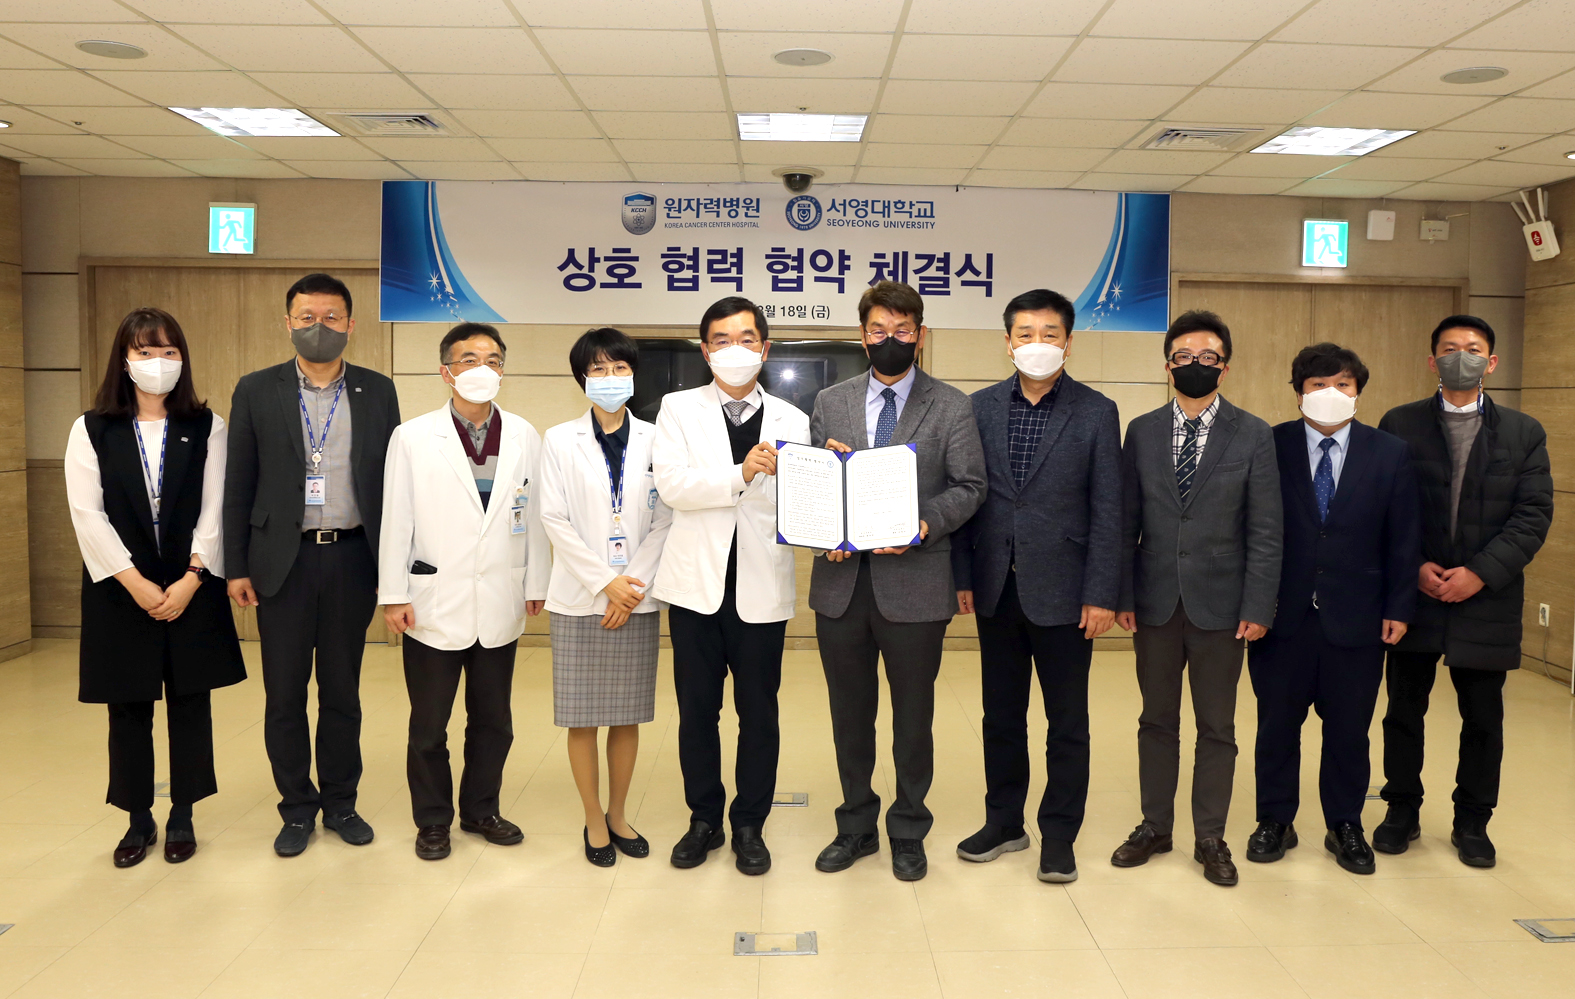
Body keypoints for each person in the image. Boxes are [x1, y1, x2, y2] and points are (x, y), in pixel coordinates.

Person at [810, 280, 987, 882]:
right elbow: (813, 483)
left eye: (903, 330)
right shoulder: (830, 401)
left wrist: (923, 525)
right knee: (849, 714)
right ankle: (856, 825)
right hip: (841, 586)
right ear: (862, 336)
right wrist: (823, 517)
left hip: (916, 581)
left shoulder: (952, 405)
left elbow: (970, 486)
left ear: (921, 335)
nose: (891, 339)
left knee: (913, 718)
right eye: (879, 330)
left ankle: (909, 828)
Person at [224, 272, 401, 857]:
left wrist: (394, 570)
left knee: (342, 692)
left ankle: (342, 802)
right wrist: (236, 566)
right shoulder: (257, 389)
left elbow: (393, 486)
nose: (318, 327)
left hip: (353, 558)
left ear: (350, 324)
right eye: (307, 317)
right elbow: (237, 481)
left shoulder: (378, 390)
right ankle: (297, 807)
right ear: (288, 323)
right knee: (284, 695)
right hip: (283, 563)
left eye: (330, 317)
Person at [65, 307, 246, 867]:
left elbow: (216, 506)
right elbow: (87, 514)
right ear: (124, 359)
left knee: (190, 702)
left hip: (191, 582)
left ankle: (183, 814)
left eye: (169, 351)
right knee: (128, 704)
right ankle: (137, 818)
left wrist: (194, 576)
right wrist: (133, 581)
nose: (159, 362)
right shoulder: (92, 427)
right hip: (121, 587)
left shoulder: (207, 425)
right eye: (145, 351)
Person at [952, 288, 1121, 884]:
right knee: (1001, 717)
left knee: (1067, 723)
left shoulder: (1096, 412)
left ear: (1068, 344)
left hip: (1068, 593)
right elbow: (967, 497)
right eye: (1025, 334)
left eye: (1050, 334)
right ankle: (1005, 822)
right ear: (1007, 343)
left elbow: (1110, 510)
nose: (1037, 344)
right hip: (996, 587)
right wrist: (963, 576)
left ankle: (1060, 835)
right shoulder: (978, 407)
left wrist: (1102, 593)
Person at [1375, 315, 1552, 868]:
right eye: (1449, 349)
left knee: (1483, 717)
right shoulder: (1399, 423)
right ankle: (1401, 809)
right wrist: (1413, 567)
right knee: (1404, 710)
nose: (1461, 358)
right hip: (1415, 594)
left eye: (1473, 349)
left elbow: (1532, 515)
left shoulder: (1523, 432)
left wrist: (1479, 572)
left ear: (1491, 362)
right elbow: (1381, 507)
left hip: (1487, 598)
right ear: (1433, 360)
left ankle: (1473, 820)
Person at [1113, 309, 1282, 887]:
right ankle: (1155, 826)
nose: (1195, 364)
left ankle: (1210, 835)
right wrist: (1122, 593)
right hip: (1154, 601)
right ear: (1168, 366)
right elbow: (1126, 522)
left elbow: (1266, 530)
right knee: (1156, 719)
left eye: (1208, 357)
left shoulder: (1253, 433)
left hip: (1223, 607)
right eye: (1184, 356)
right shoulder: (1141, 431)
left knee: (1217, 726)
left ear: (1225, 367)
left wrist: (1258, 606)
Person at [1245, 343, 1421, 876]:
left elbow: (1403, 538)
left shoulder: (1389, 452)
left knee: (1348, 730)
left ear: (1358, 392)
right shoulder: (1268, 445)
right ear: (1298, 393)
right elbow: (1248, 528)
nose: (1331, 393)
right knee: (1277, 726)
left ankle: (1345, 823)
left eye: (1343, 384)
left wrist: (1399, 606)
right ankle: (1275, 819)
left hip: (1358, 617)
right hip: (1281, 616)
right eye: (1318, 384)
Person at [650, 296, 810, 875]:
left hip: (761, 587)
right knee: (697, 712)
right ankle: (703, 820)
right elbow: (673, 487)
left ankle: (749, 824)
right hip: (696, 588)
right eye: (721, 340)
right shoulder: (677, 409)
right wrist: (740, 474)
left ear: (765, 349)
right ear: (705, 350)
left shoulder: (793, 419)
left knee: (758, 714)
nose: (734, 349)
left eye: (746, 339)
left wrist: (829, 478)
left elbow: (801, 504)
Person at [379, 323, 549, 860]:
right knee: (429, 726)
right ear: (445, 371)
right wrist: (393, 593)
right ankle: (433, 821)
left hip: (501, 595)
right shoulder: (412, 436)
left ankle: (481, 810)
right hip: (432, 600)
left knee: (494, 722)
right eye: (469, 359)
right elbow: (395, 519)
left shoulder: (523, 434)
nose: (483, 369)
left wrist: (536, 581)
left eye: (493, 360)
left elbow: (535, 516)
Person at [538, 328, 674, 867]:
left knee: (626, 715)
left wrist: (629, 585)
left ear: (633, 375)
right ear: (582, 378)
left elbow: (666, 518)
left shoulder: (658, 439)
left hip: (636, 596)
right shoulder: (558, 440)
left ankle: (618, 814)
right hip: (580, 597)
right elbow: (553, 518)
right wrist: (604, 582)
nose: (610, 378)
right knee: (581, 718)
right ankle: (593, 818)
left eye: (620, 368)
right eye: (598, 369)